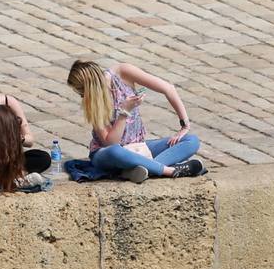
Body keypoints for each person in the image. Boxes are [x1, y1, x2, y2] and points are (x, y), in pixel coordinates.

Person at [66, 60, 206, 182]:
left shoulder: (122, 72)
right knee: (115, 151)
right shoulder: (92, 102)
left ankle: (139, 170)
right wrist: (124, 113)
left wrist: (184, 125)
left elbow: (168, 88)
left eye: (80, 92)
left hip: (138, 147)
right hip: (108, 155)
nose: (82, 96)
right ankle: (169, 171)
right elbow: (110, 143)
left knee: (191, 141)